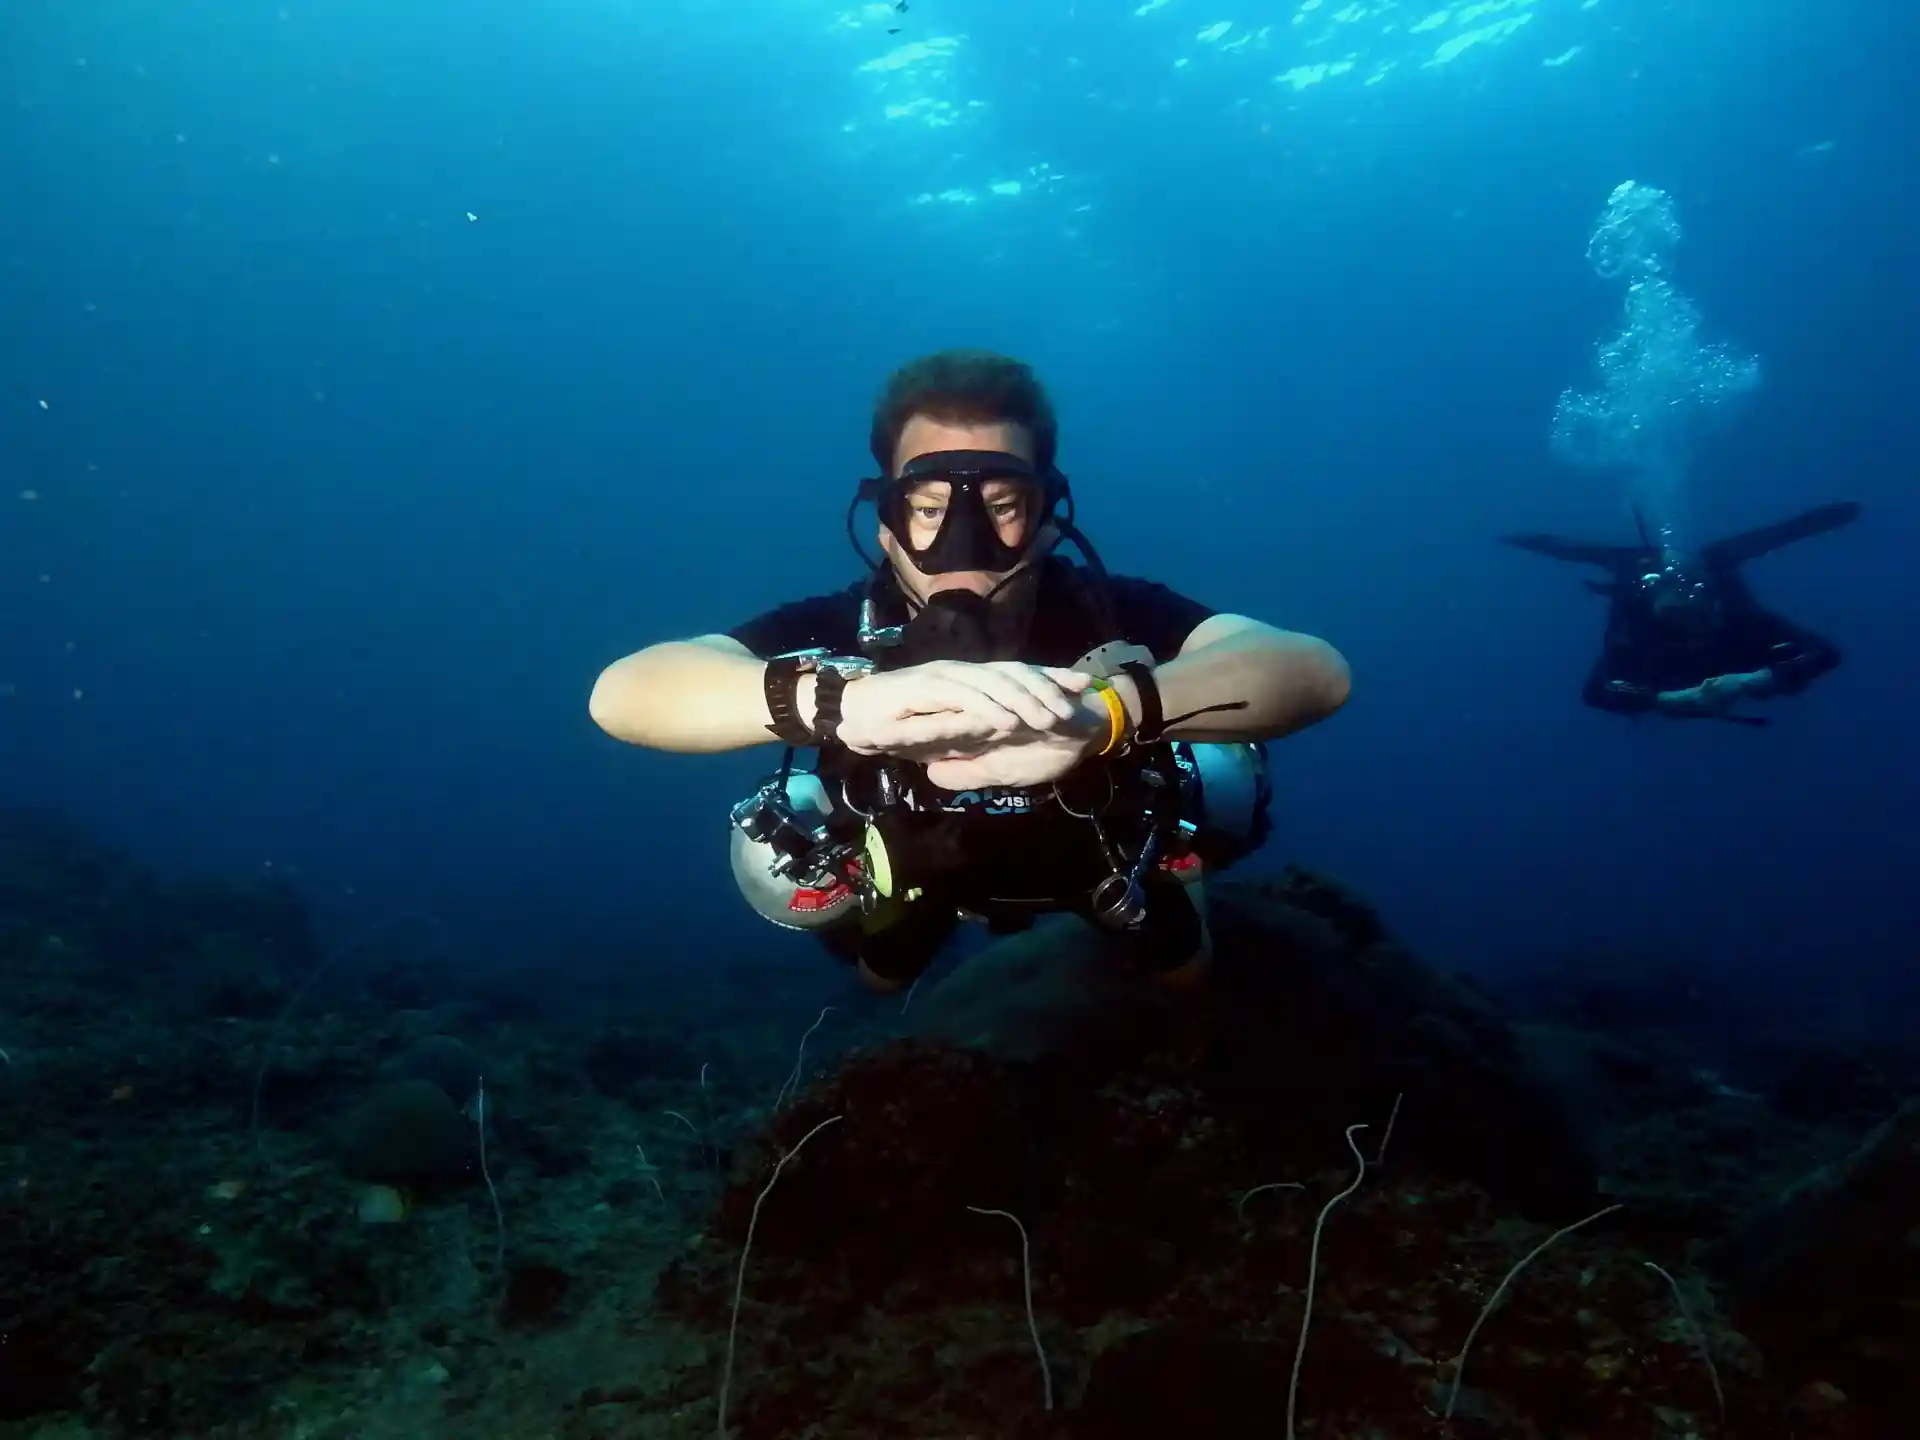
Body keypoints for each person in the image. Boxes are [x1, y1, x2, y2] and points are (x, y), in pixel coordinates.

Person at [589, 350, 1350, 992]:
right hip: (915, 870)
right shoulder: (841, 629)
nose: (964, 542)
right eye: (926, 507)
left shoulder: (1108, 611)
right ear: (887, 526)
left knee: (1184, 977)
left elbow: (1313, 671)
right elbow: (623, 693)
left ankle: (1175, 890)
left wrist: (1103, 715)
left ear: (1049, 515)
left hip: (1102, 858)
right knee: (881, 977)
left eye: (1002, 502)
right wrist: (843, 706)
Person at [1502, 502, 1860, 725]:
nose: (1690, 632)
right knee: (1629, 560)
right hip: (1648, 591)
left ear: (1713, 604)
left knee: (1717, 557)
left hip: (1711, 586)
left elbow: (1827, 654)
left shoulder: (1741, 619)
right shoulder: (1636, 632)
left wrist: (1751, 680)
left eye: (1697, 617)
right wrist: (1661, 700)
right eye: (1677, 622)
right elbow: (1594, 693)